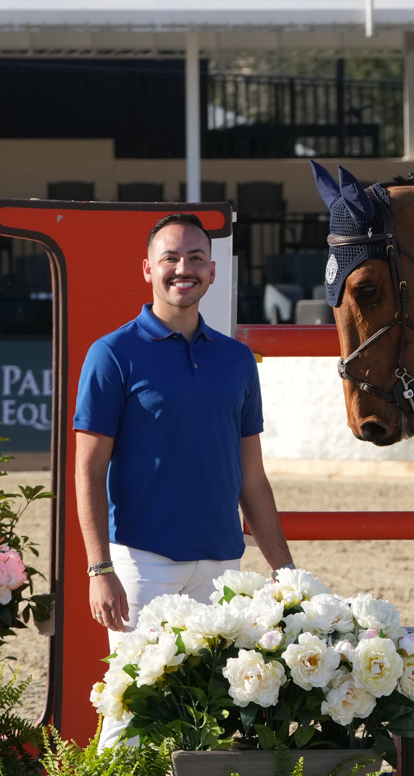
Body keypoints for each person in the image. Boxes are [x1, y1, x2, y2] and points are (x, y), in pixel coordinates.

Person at [73, 213, 295, 655]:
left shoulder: (237, 359)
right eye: (170, 258)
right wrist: (100, 569)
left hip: (224, 565)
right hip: (142, 562)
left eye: (196, 258)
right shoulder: (112, 354)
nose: (183, 269)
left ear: (213, 271)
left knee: (211, 715)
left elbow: (252, 478)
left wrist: (285, 570)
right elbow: (89, 469)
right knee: (131, 713)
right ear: (148, 269)